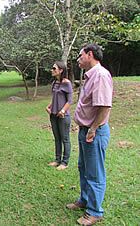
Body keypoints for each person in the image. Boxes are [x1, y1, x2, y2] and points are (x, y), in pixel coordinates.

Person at [67, 44, 113, 226]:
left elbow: (104, 106)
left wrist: (93, 129)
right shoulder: (90, 75)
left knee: (94, 173)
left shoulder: (100, 75)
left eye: (80, 55)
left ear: (90, 54)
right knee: (83, 168)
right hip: (85, 130)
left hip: (94, 132)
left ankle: (94, 212)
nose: (78, 59)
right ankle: (84, 200)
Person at [46, 61, 73, 171]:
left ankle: (65, 162)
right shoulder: (54, 83)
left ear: (61, 70)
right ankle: (57, 160)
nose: (52, 70)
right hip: (53, 115)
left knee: (65, 139)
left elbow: (69, 101)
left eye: (54, 68)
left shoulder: (66, 83)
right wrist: (49, 107)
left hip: (63, 116)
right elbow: (55, 98)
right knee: (57, 138)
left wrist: (62, 111)